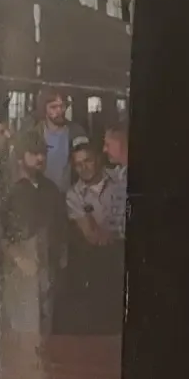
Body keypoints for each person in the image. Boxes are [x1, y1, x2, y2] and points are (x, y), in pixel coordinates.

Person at [0, 144, 67, 336]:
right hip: (20, 271)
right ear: (20, 157)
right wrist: (18, 257)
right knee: (23, 333)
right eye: (34, 153)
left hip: (49, 271)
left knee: (48, 330)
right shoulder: (9, 190)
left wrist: (60, 258)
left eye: (43, 153)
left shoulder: (51, 189)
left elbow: (61, 225)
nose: (40, 158)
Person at [62, 137, 126, 334]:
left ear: (98, 158)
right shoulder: (73, 195)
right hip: (101, 259)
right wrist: (116, 232)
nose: (83, 168)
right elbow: (91, 235)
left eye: (87, 161)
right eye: (78, 164)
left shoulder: (121, 178)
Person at [40, 91, 82, 192]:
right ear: (44, 109)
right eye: (53, 107)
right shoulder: (36, 133)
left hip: (68, 195)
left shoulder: (76, 133)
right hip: (40, 195)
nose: (59, 111)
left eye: (62, 106)